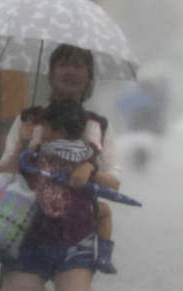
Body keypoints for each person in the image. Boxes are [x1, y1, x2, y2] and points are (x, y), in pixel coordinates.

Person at [0, 44, 121, 291]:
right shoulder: (29, 121)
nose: (70, 72)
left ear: (89, 77)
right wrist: (21, 144)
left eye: (78, 66)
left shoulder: (98, 126)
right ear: (51, 73)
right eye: (63, 64)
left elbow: (114, 182)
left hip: (77, 239)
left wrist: (91, 170)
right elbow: (3, 176)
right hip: (27, 238)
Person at [20, 98, 119, 275]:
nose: (43, 130)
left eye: (46, 126)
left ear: (57, 130)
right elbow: (113, 184)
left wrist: (27, 143)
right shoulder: (84, 154)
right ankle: (104, 256)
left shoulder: (41, 149)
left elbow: (24, 168)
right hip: (74, 215)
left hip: (41, 213)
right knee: (104, 211)